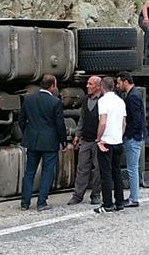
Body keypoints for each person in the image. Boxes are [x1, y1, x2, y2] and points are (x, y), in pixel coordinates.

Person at [18, 74, 67, 211]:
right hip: (49, 141)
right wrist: (63, 141)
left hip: (32, 140)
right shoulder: (55, 102)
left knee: (29, 172)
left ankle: (25, 203)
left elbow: (21, 120)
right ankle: (41, 202)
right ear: (52, 86)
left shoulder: (28, 99)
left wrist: (28, 132)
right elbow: (59, 124)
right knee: (47, 171)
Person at [94, 77, 128, 213]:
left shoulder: (103, 101)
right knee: (117, 172)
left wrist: (98, 139)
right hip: (118, 141)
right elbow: (124, 123)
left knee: (106, 174)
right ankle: (119, 202)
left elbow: (102, 122)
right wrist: (118, 136)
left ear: (102, 87)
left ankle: (107, 203)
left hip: (106, 142)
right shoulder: (121, 101)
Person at [68, 76, 103, 206]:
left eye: (91, 84)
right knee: (82, 168)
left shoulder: (103, 101)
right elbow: (82, 118)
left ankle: (96, 194)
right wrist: (77, 134)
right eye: (87, 83)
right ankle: (77, 195)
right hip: (86, 139)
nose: (87, 86)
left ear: (98, 87)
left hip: (99, 140)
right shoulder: (85, 100)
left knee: (98, 168)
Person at [116, 72, 146, 208]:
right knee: (133, 167)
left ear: (125, 82)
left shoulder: (132, 97)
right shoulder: (135, 94)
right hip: (136, 135)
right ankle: (133, 196)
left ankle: (134, 198)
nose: (118, 86)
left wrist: (128, 134)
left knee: (132, 168)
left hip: (133, 137)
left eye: (119, 83)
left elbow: (136, 119)